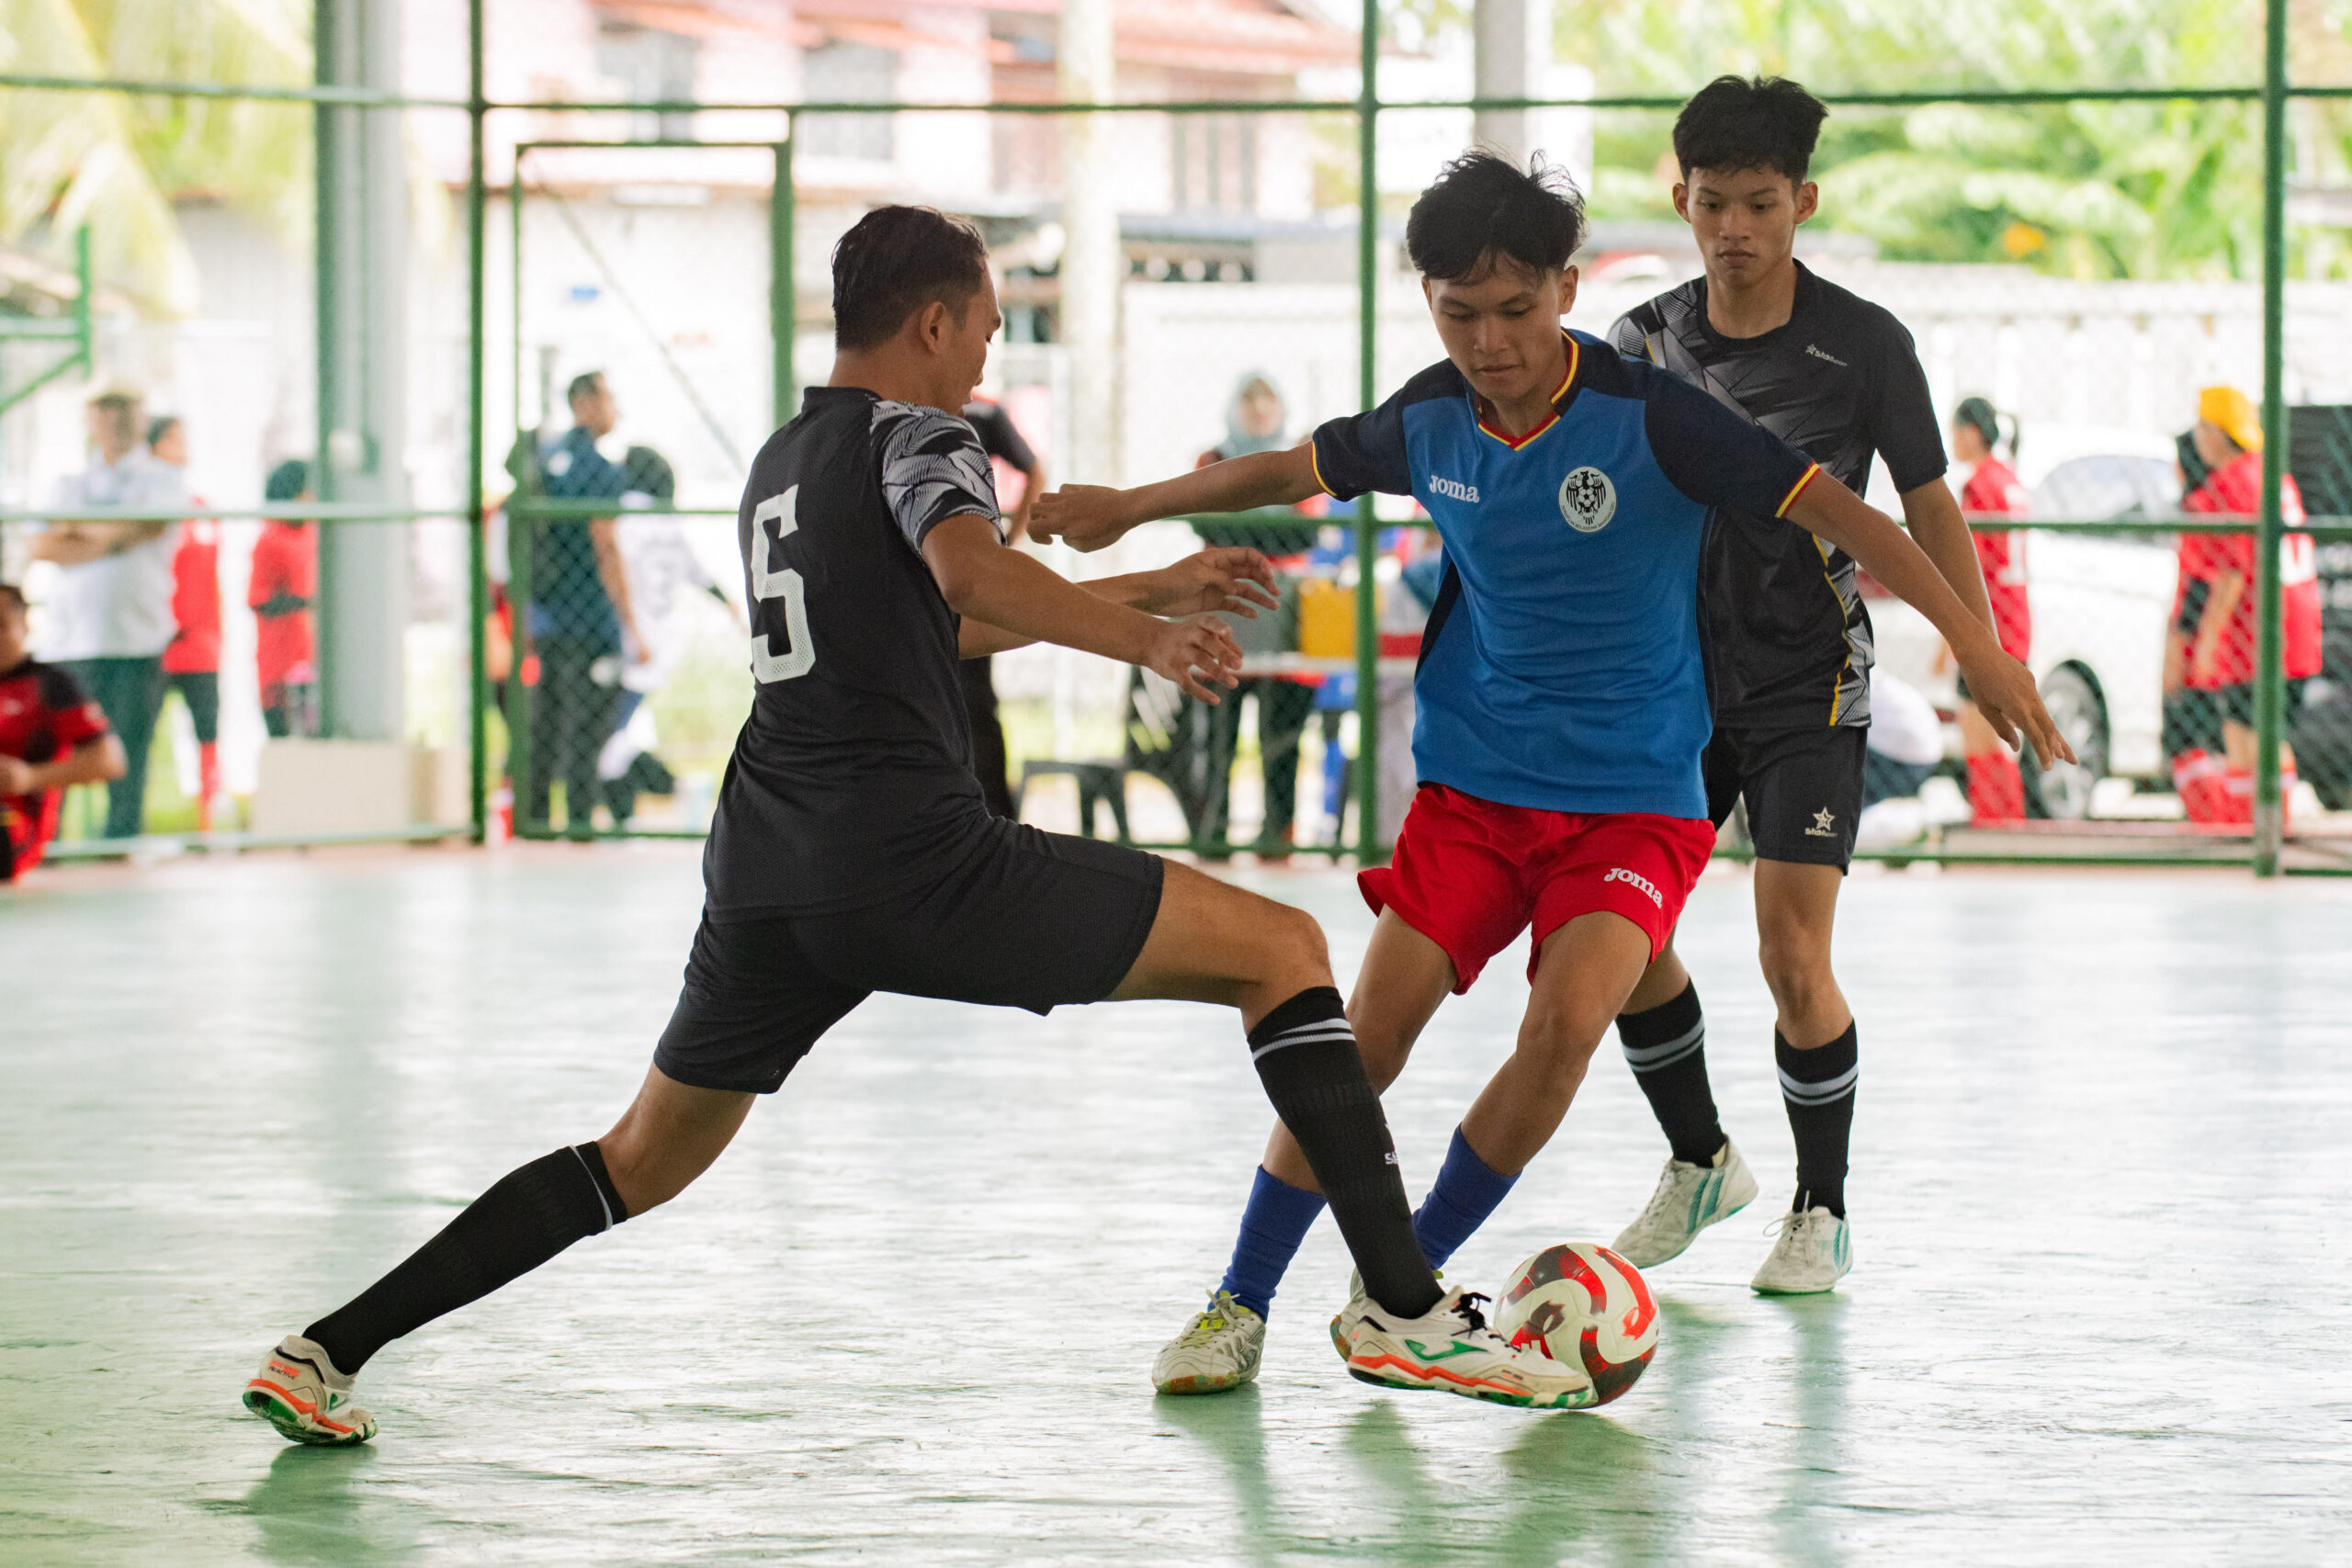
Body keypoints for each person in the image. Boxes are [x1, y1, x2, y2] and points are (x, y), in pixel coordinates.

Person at [241, 204, 1594, 1450]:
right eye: (987, 329)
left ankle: (325, 1349)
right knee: (1286, 948)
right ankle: (1402, 1306)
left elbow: (923, 624)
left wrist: (1149, 580)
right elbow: (969, 568)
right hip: (911, 858)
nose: (986, 356)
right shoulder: (924, 435)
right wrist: (1143, 638)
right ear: (935, 322)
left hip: (766, 871)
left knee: (638, 1158)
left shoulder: (786, 457)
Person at [1032, 152, 2064, 1394]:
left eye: (1515, 309)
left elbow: (1851, 515)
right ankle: (1236, 1302)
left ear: (1567, 290)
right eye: (1458, 313)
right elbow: (1292, 467)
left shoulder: (1654, 416)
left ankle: (1405, 1284)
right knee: (1363, 1038)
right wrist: (1131, 505)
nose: (1489, 342)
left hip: (1635, 800)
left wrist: (1978, 648)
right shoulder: (1430, 418)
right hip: (1474, 790)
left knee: (1565, 1025)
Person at [1602, 77, 2009, 1293]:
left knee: (1790, 953)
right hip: (1672, 686)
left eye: (1760, 204)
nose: (1733, 227)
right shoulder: (1637, 343)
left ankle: (1820, 1206)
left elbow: (1928, 505)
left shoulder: (1864, 344)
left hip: (1807, 682)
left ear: (1803, 202)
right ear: (1681, 199)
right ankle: (1700, 1160)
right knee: (1613, 935)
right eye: (1711, 203)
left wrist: (1983, 654)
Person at [24, 389, 187, 838]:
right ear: (89, 418)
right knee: (57, 752)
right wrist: (119, 536)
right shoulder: (66, 484)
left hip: (136, 642)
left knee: (129, 756)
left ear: (142, 417)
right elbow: (40, 545)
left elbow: (150, 524)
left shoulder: (163, 480)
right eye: (105, 409)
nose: (115, 420)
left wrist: (75, 529)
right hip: (68, 645)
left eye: (125, 409)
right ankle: (47, 845)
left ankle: (119, 846)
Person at [2172, 385, 2319, 821]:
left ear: (2219, 432)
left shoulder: (2230, 481)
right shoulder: (2273, 475)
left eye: (2203, 426)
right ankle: (2270, 828)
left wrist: (2206, 641)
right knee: (2267, 736)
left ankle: (2252, 831)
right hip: (2295, 627)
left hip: (2256, 633)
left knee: (2244, 736)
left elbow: (2230, 575)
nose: (2199, 437)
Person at [1191, 373, 1322, 859]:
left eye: (1267, 404)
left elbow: (1305, 534)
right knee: (1217, 739)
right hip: (1224, 617)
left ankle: (1278, 835)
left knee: (1281, 739)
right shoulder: (1213, 460)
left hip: (1281, 618)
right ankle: (1213, 831)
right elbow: (1205, 520)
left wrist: (1240, 523)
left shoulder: (1297, 462)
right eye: (1250, 403)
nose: (1259, 413)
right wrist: (1270, 524)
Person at [526, 370, 647, 840]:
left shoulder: (544, 461)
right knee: (589, 721)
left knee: (547, 717)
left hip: (548, 614)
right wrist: (628, 621)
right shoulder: (600, 468)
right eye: (609, 397)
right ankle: (579, 819)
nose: (615, 409)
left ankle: (536, 818)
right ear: (585, 404)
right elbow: (605, 544)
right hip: (591, 616)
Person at [596, 444, 731, 826]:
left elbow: (611, 562)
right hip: (663, 643)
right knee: (620, 736)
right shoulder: (668, 522)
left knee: (607, 742)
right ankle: (639, 810)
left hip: (631, 643)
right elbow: (702, 577)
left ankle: (676, 789)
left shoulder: (623, 513)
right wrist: (737, 611)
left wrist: (632, 630)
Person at [1, 583, 127, 882]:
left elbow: (109, 761)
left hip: (12, 830)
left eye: (1, 626)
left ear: (24, 626)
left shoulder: (51, 685)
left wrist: (30, 777)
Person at [958, 391, 1046, 817]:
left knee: (974, 701)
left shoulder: (983, 412)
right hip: (921, 580)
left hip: (968, 580)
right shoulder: (892, 414)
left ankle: (993, 811)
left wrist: (1009, 542)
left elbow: (1035, 471)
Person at [1951, 397, 2033, 825]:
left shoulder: (1979, 485)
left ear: (1971, 433)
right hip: (2016, 621)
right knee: (2001, 734)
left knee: (1978, 730)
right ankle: (2006, 821)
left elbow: (1971, 567)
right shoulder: (2010, 480)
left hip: (1989, 624)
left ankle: (1993, 821)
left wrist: (1950, 637)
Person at [149, 416, 223, 828]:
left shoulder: (201, 510)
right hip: (155, 645)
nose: (182, 447)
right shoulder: (145, 510)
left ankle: (208, 822)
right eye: (171, 439)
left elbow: (211, 581)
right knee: (141, 736)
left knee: (208, 733)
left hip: (201, 647)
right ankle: (132, 828)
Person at [249, 460, 321, 739]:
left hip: (311, 662)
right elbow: (258, 599)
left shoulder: (313, 534)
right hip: (280, 669)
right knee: (284, 745)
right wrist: (304, 601)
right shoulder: (270, 540)